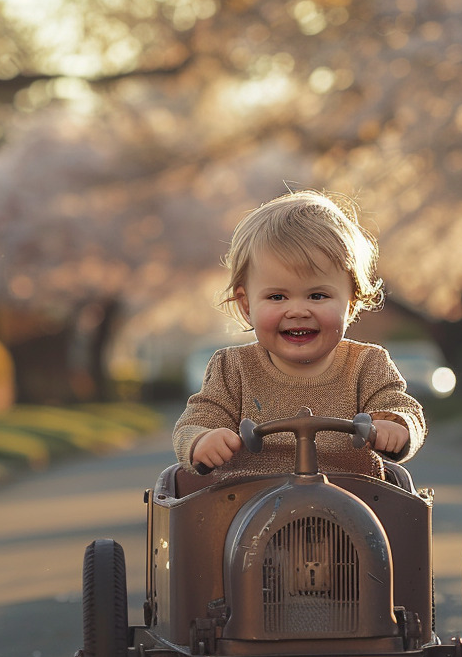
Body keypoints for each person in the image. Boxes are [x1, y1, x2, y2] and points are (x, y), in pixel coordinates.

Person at [174, 189, 426, 480]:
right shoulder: (232, 368)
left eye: (317, 296)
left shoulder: (368, 364)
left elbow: (398, 406)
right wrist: (202, 440)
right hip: (246, 503)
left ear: (351, 303)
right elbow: (196, 420)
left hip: (351, 505)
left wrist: (396, 426)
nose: (297, 311)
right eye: (277, 297)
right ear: (246, 305)